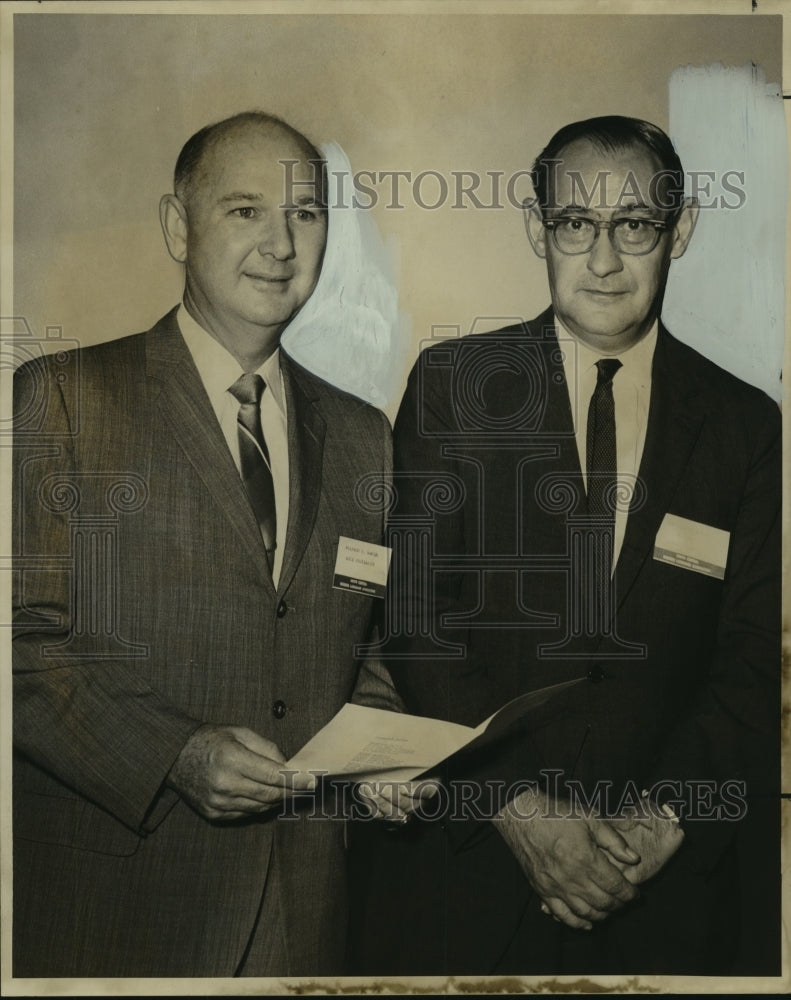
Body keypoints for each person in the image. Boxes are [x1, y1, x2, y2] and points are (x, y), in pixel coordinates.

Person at [348, 116, 781, 977]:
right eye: (575, 225)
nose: (605, 261)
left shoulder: (745, 424)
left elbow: (748, 657)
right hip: (467, 877)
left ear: (680, 230)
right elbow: (414, 619)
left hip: (664, 892)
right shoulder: (451, 388)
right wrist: (518, 806)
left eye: (635, 225)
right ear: (535, 228)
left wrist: (659, 822)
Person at [12, 110, 407, 978]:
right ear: (175, 225)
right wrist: (176, 753)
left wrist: (383, 738)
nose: (279, 244)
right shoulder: (62, 399)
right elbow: (19, 644)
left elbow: (365, 648)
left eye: (305, 215)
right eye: (244, 211)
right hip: (117, 908)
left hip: (309, 910)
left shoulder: (363, 433)